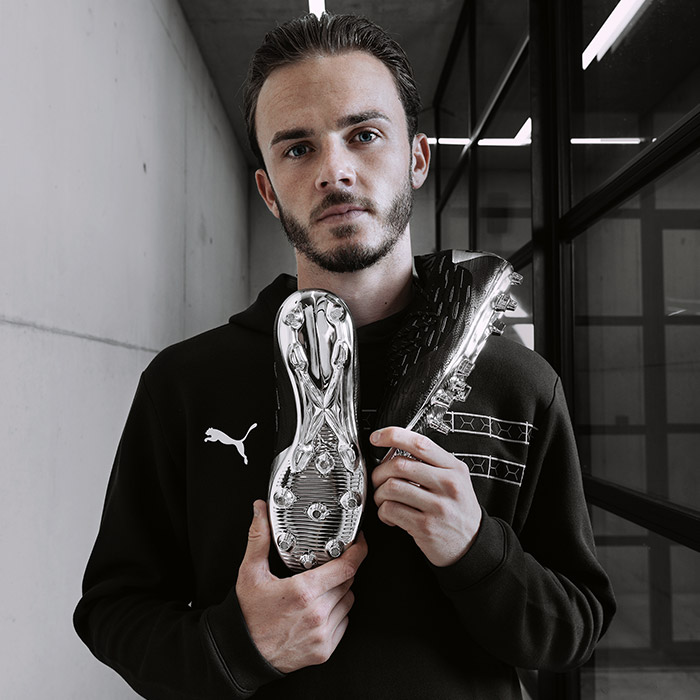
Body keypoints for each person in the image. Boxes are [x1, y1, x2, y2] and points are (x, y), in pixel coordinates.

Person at [74, 12, 615, 699]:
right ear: (268, 190)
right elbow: (112, 612)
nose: (334, 172)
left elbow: (576, 625)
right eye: (298, 148)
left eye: (364, 135)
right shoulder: (185, 384)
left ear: (417, 158)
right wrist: (238, 646)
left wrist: (476, 549)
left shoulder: (517, 383)